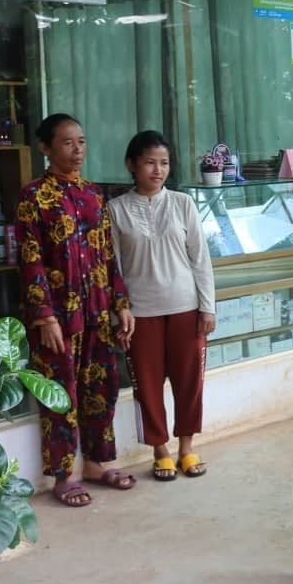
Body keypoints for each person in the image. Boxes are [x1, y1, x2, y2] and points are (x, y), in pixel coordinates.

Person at [15, 113, 137, 507]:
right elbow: (30, 260)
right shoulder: (33, 197)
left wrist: (121, 304)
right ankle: (63, 475)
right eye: (68, 142)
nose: (78, 149)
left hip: (98, 312)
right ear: (46, 148)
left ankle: (98, 464)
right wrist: (44, 315)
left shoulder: (93, 194)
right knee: (61, 393)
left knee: (101, 387)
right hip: (59, 317)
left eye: (81, 141)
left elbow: (107, 254)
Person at [108, 130, 217, 481]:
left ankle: (186, 448)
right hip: (141, 313)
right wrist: (118, 312)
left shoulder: (183, 204)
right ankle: (160, 451)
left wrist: (208, 306)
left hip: (186, 307)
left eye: (164, 163)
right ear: (132, 164)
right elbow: (114, 267)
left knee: (189, 383)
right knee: (148, 386)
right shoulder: (116, 210)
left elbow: (200, 259)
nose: (158, 170)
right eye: (150, 162)